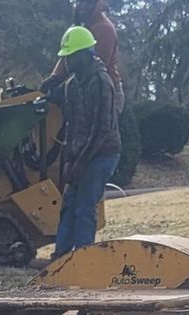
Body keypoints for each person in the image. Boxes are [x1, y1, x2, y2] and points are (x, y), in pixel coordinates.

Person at [51, 25, 121, 257]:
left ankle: (83, 259)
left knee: (84, 207)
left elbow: (102, 128)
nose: (67, 63)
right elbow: (72, 127)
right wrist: (69, 161)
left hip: (102, 154)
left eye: (70, 57)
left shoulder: (102, 82)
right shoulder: (72, 86)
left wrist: (82, 162)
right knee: (69, 205)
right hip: (80, 154)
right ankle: (60, 258)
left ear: (84, 55)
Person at [43, 0, 124, 112]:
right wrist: (54, 78)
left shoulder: (104, 29)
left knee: (99, 128)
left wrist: (63, 88)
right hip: (83, 86)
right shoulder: (80, 24)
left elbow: (95, 67)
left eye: (89, 3)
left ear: (97, 4)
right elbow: (67, 54)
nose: (83, 6)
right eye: (81, 2)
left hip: (103, 90)